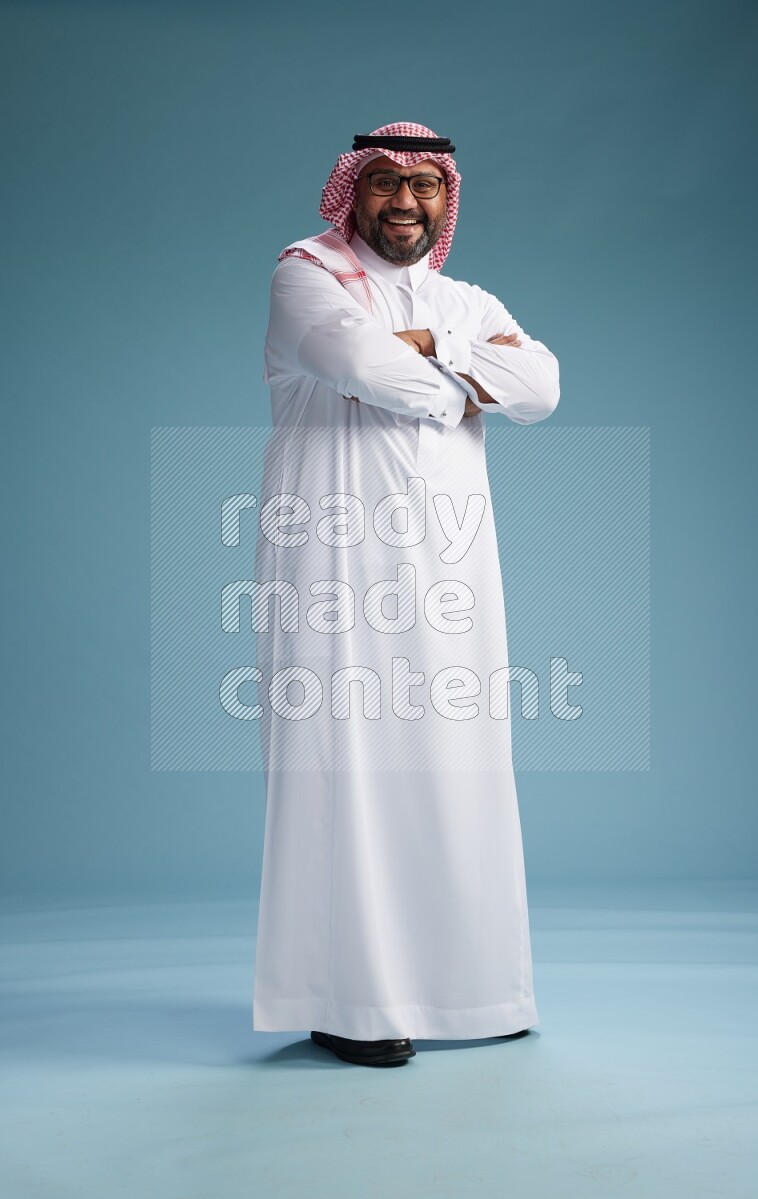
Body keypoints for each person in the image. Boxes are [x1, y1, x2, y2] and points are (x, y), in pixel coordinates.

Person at [253, 122, 560, 1067]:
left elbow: (543, 382)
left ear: (446, 200)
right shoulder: (305, 272)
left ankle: (471, 990)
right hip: (334, 567)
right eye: (385, 182)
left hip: (453, 568)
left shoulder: (465, 295)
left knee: (458, 768)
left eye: (425, 187)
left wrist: (429, 349)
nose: (404, 203)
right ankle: (347, 999)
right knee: (348, 770)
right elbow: (359, 367)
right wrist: (467, 373)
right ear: (353, 190)